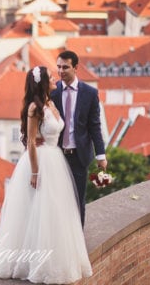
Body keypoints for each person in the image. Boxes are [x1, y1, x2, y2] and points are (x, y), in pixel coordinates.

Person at [0, 66, 92, 284]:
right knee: (37, 211)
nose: (55, 78)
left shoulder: (50, 103)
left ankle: (53, 258)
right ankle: (34, 263)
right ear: (42, 82)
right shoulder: (34, 108)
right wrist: (35, 172)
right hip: (41, 161)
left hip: (55, 158)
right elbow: (32, 142)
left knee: (54, 211)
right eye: (50, 77)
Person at [51, 50, 107, 226]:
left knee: (77, 201)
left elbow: (94, 126)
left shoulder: (89, 93)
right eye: (58, 67)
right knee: (57, 200)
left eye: (65, 67)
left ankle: (78, 239)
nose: (60, 71)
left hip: (79, 156)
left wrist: (101, 155)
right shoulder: (52, 92)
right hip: (57, 156)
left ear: (76, 68)